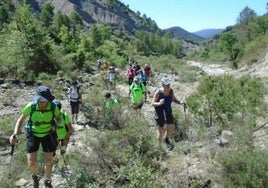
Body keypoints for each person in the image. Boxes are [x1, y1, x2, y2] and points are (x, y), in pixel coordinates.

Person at [9, 85, 61, 188]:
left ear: (48, 99)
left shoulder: (53, 107)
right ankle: (35, 177)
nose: (41, 103)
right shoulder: (31, 106)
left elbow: (59, 119)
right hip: (33, 133)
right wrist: (14, 134)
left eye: (43, 101)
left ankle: (48, 181)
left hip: (48, 134)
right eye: (39, 100)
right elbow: (20, 120)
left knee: (49, 159)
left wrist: (56, 125)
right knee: (31, 162)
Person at [151, 76, 185, 150]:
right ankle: (159, 147)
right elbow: (152, 103)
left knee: (172, 128)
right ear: (163, 85)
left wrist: (180, 102)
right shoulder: (158, 92)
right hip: (160, 113)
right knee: (160, 130)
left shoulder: (170, 91)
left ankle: (166, 138)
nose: (169, 86)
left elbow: (173, 99)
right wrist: (159, 103)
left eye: (169, 84)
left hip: (168, 112)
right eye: (167, 84)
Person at [52, 101, 73, 172]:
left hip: (64, 137)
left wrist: (67, 138)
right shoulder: (50, 116)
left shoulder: (64, 115)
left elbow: (70, 128)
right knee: (52, 152)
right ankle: (56, 164)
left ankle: (61, 166)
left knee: (63, 152)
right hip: (55, 137)